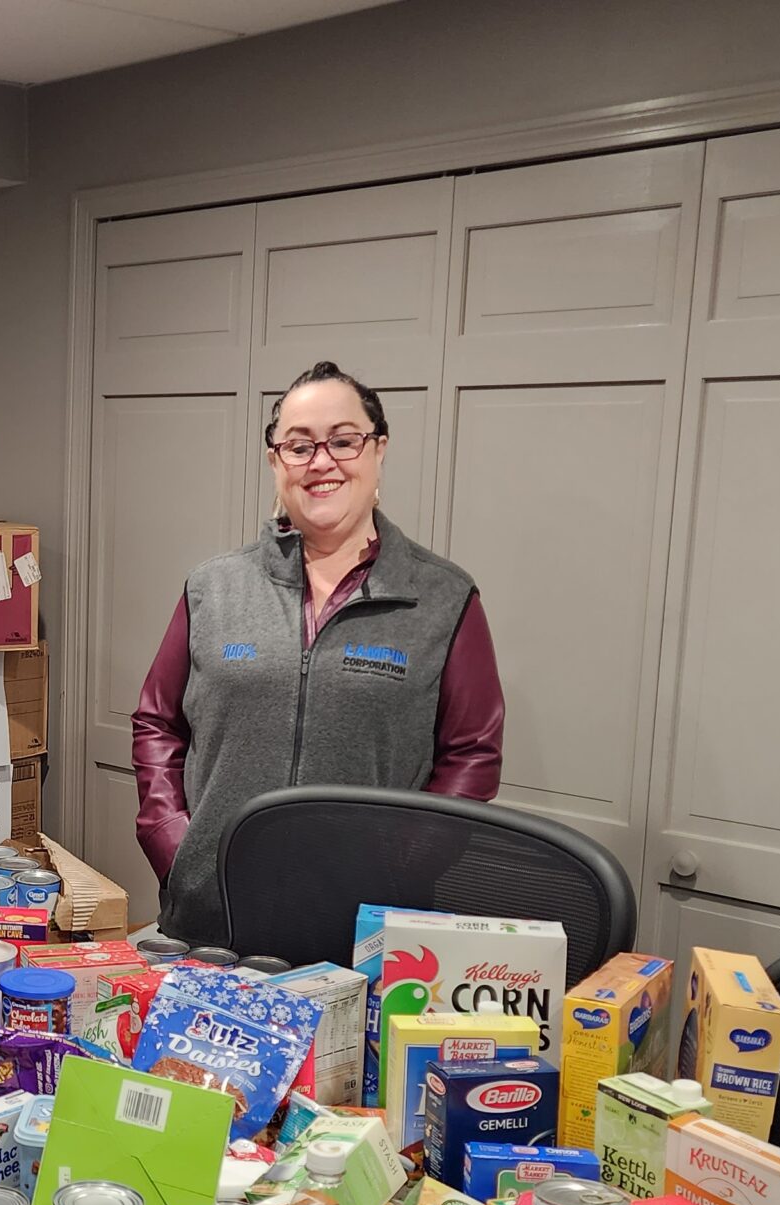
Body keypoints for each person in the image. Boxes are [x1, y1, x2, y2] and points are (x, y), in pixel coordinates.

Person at [132, 361, 504, 947]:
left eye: (343, 441)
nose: (321, 461)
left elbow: (472, 754)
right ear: (276, 462)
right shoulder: (213, 587)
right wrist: (172, 838)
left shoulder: (443, 598)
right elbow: (157, 720)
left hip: (366, 931)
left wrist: (402, 867)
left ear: (378, 450)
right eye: (299, 446)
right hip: (213, 916)